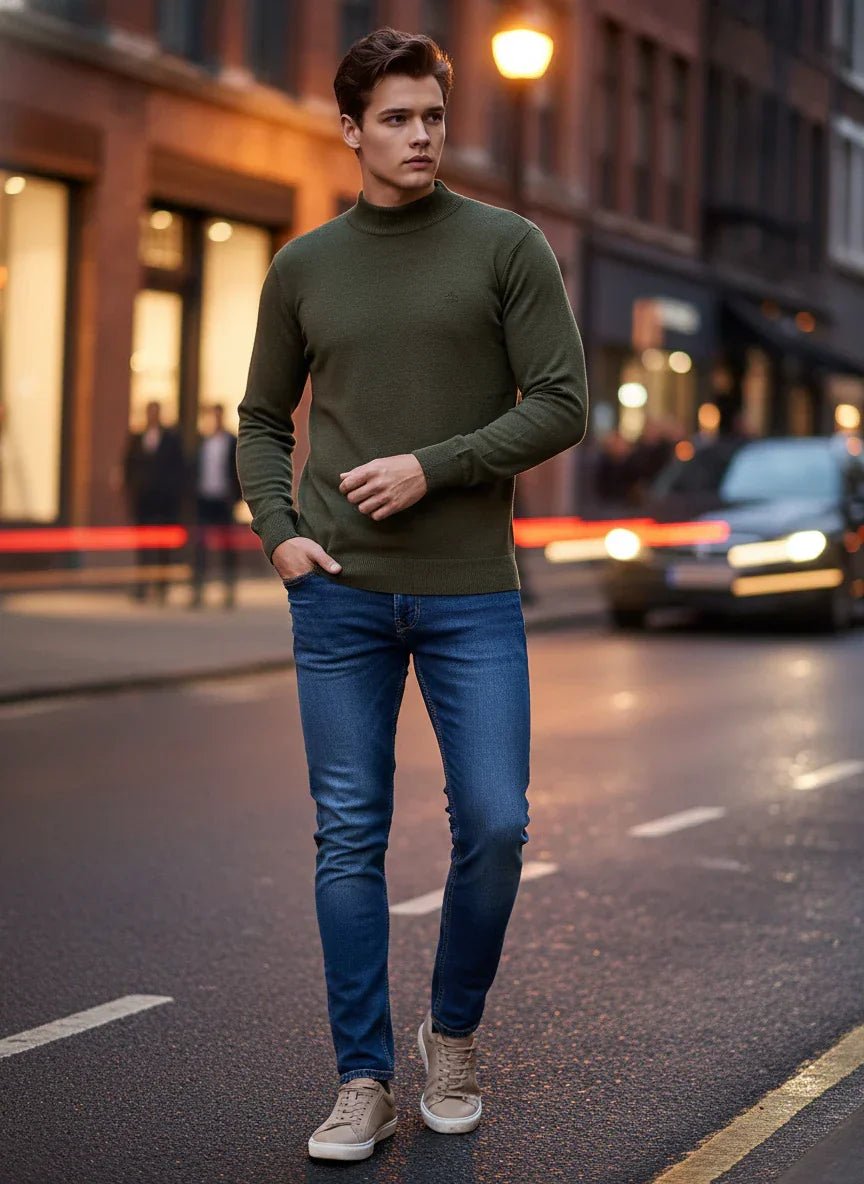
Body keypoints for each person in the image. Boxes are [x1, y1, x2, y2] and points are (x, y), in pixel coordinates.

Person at [237, 27, 588, 1163]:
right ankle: (362, 1078)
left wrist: (433, 464)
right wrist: (280, 536)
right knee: (349, 838)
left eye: (432, 115)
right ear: (350, 129)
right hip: (336, 595)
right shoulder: (303, 266)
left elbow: (563, 402)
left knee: (494, 821)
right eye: (396, 117)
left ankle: (454, 1031)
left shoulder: (507, 245)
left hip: (469, 591)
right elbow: (260, 419)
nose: (421, 133)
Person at [122, 401, 185, 602]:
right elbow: (128, 466)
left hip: (164, 501)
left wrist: (173, 493)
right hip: (143, 500)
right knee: (142, 545)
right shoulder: (137, 438)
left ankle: (161, 586)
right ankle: (142, 584)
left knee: (163, 546)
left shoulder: (171, 439)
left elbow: (179, 468)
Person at [190, 404, 242, 609]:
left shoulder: (231, 441)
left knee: (227, 547)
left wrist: (236, 497)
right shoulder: (203, 441)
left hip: (224, 500)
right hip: (205, 499)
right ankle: (198, 589)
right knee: (200, 546)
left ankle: (228, 589)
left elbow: (238, 470)